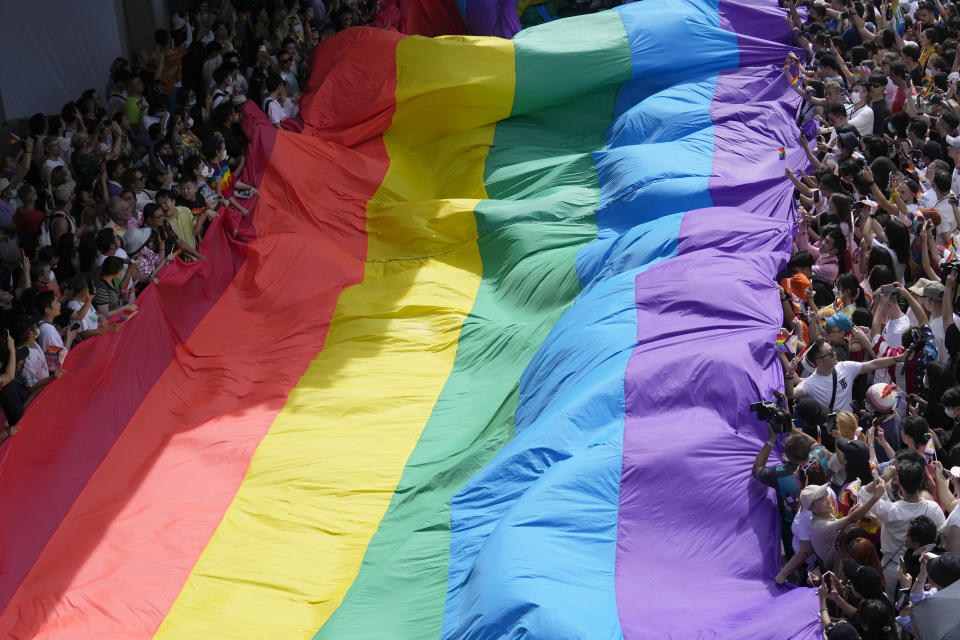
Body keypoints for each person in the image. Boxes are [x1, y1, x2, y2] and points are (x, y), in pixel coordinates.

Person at [872, 459, 946, 595]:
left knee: (894, 606)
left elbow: (864, 495)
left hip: (893, 568)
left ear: (899, 482)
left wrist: (883, 477)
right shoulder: (934, 508)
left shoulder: (890, 511)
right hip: (923, 568)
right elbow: (942, 534)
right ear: (921, 482)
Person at [791, 338, 908, 412]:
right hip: (833, 434)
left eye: (833, 350)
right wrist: (789, 377)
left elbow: (873, 364)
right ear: (819, 362)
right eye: (830, 353)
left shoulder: (845, 367)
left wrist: (898, 358)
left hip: (851, 426)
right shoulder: (809, 384)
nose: (835, 354)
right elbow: (791, 394)